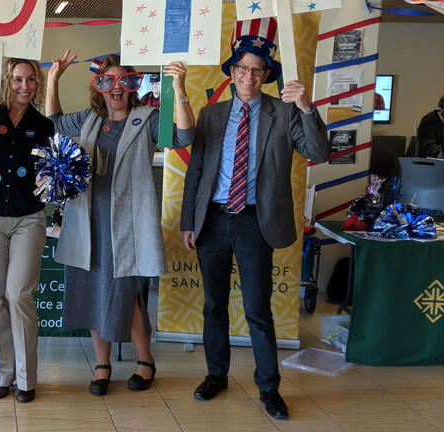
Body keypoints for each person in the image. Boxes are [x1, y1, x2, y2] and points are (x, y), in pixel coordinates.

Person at [179, 18, 329, 420]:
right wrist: (188, 222)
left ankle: (269, 387)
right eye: (242, 68)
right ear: (232, 72)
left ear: (266, 76)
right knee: (214, 306)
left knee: (257, 309)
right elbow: (196, 170)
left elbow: (319, 152)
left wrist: (306, 107)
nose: (248, 76)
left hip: (254, 222)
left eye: (256, 70)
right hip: (212, 218)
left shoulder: (284, 113)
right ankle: (216, 375)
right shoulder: (211, 115)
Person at [46, 51, 195, 396]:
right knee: (90, 292)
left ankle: (145, 360)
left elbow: (184, 137)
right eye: (107, 81)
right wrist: (53, 79)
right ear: (98, 87)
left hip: (124, 225)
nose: (116, 87)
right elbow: (53, 122)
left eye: (124, 81)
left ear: (132, 87)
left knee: (124, 296)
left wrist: (180, 88)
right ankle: (102, 364)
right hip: (86, 221)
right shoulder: (88, 121)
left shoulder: (148, 118)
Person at [0, 58, 54, 403]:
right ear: (8, 81)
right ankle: (3, 375)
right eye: (18, 79)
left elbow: (52, 168)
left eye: (31, 79)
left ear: (37, 84)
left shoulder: (43, 124)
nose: (25, 86)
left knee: (19, 294)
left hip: (28, 220)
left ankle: (26, 378)